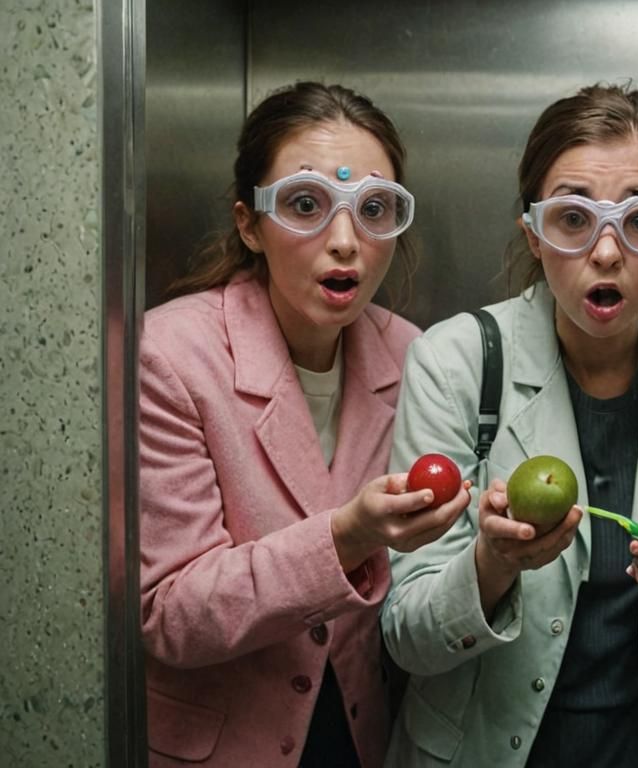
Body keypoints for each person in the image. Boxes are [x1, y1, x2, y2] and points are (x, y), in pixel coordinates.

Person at [380, 83, 638, 768]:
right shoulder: (455, 361)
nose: (606, 252)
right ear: (533, 231)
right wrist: (491, 565)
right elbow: (407, 634)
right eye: (572, 218)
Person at [139, 81, 469, 768]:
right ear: (249, 224)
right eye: (304, 204)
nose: (345, 242)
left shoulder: (414, 356)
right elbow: (169, 614)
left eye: (373, 209)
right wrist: (348, 536)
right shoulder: (171, 358)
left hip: (359, 737)